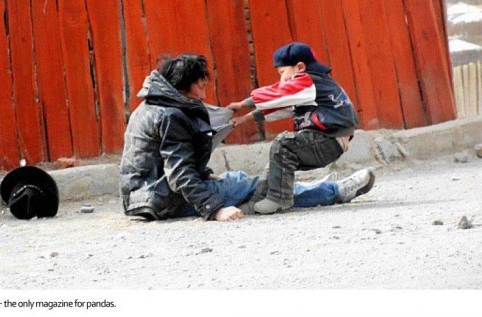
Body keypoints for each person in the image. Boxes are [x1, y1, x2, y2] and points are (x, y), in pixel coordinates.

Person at [119, 53, 374, 222]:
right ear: (182, 86)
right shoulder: (171, 115)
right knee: (261, 189)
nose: (202, 95)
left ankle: (314, 188)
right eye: (200, 87)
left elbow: (161, 159)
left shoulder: (148, 107)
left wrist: (204, 174)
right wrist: (215, 209)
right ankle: (333, 191)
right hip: (164, 199)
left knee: (241, 183)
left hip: (144, 196)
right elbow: (178, 174)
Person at [228, 42, 375, 214]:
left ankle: (278, 199)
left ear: (300, 67)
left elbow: (279, 93)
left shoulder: (307, 80)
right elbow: (283, 107)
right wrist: (245, 118)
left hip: (326, 139)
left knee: (283, 145)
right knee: (276, 161)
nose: (281, 79)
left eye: (282, 73)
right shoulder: (315, 86)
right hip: (330, 141)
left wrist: (243, 103)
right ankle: (256, 202)